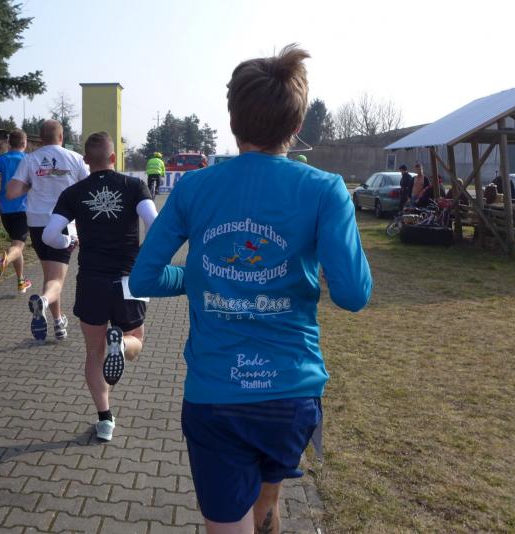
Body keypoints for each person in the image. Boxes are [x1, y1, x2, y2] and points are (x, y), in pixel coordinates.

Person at [129, 44, 372, 534]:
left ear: (233, 120)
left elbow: (143, 279)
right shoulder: (326, 189)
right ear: (296, 125)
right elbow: (352, 294)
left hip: (215, 395)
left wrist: (199, 277)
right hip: (291, 394)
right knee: (267, 501)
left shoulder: (193, 188)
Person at [41, 132, 157, 442]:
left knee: (94, 351)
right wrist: (147, 256)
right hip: (130, 278)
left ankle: (105, 420)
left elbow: (49, 235)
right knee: (136, 341)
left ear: (86, 161)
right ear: (113, 158)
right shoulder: (135, 186)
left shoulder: (73, 192)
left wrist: (68, 241)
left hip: (91, 280)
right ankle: (122, 344)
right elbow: (154, 224)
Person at [7, 120, 89, 342]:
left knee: (51, 276)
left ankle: (58, 323)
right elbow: (89, 190)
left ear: (41, 138)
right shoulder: (75, 159)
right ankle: (42, 301)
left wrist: (30, 185)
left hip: (37, 224)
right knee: (56, 281)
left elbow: (11, 192)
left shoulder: (30, 159)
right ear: (61, 137)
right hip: (63, 224)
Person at [0, 129, 32, 294]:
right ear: (24, 143)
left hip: (5, 210)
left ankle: (21, 281)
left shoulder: (1, 158)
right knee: (17, 247)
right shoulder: (29, 159)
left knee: (16, 245)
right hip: (23, 209)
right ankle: (5, 260)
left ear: (9, 143)